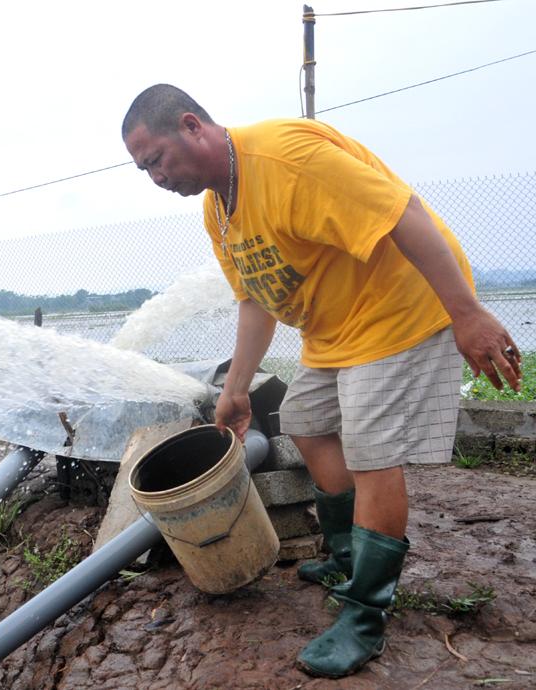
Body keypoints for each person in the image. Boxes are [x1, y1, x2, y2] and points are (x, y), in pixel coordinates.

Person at [121, 84, 522, 679]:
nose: (153, 176)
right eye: (142, 169)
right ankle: (346, 557)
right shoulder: (219, 207)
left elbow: (401, 211)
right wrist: (235, 387)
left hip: (398, 312)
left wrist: (466, 312)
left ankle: (365, 614)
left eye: (156, 159)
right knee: (307, 424)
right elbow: (256, 299)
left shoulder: (287, 160)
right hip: (337, 328)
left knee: (372, 453)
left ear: (191, 126)